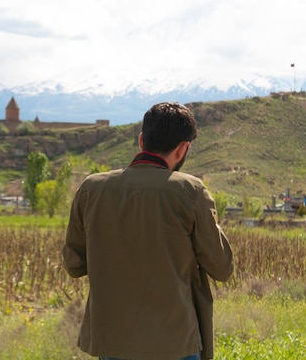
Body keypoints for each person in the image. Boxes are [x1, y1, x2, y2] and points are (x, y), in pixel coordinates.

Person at [62, 102, 234, 360]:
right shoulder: (191, 191)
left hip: (112, 343)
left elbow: (74, 264)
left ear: (142, 141)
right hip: (176, 344)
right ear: (183, 149)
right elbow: (222, 268)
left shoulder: (91, 189)